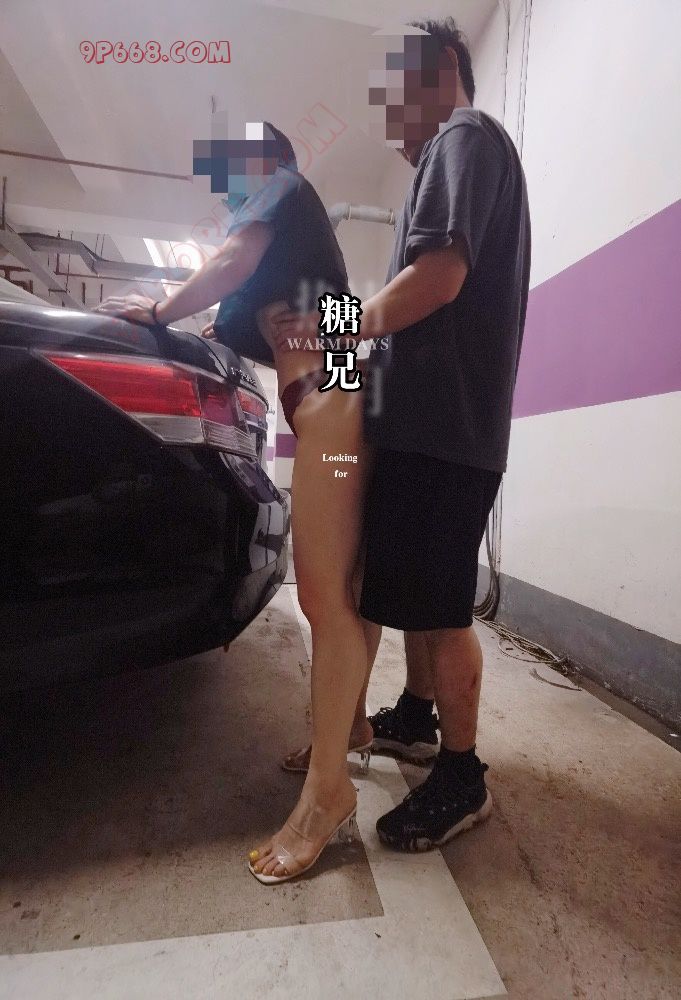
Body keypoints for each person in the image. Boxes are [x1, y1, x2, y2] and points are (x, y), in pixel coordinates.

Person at [94, 122, 382, 884]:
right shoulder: (298, 246)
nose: (227, 193)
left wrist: (160, 308)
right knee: (348, 589)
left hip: (333, 410)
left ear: (266, 161)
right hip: (333, 405)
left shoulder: (283, 188)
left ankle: (328, 793)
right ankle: (348, 729)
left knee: (323, 598)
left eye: (234, 173)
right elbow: (321, 304)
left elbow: (234, 262)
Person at [270, 18, 531, 853]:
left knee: (441, 609)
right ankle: (416, 717)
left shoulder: (464, 136)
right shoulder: (452, 156)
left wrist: (333, 329)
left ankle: (461, 775)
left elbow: (438, 279)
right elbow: (410, 302)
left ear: (439, 71)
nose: (388, 117)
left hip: (446, 428)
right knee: (415, 592)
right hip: (428, 423)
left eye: (394, 92)